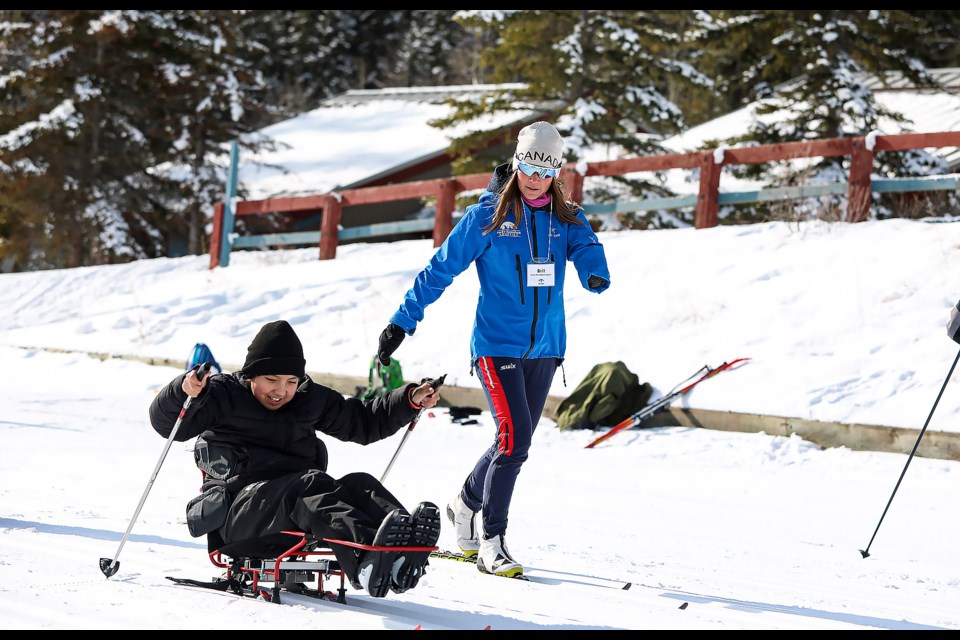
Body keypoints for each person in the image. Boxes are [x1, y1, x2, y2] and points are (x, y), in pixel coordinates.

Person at [375, 121, 611, 578]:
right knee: (515, 439)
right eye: (528, 168)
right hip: (495, 345)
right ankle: (492, 541)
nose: (535, 179)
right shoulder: (488, 216)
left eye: (545, 172)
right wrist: (401, 321)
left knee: (512, 440)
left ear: (556, 172)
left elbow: (586, 244)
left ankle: (463, 504)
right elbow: (440, 268)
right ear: (518, 163)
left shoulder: (567, 217)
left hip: (545, 348)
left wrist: (593, 268)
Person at [149, 319, 442, 599]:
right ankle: (364, 557)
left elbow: (363, 422)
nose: (281, 391)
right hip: (238, 518)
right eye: (271, 380)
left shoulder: (307, 399)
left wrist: (409, 400)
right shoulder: (225, 395)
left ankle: (402, 553)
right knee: (308, 484)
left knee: (359, 483)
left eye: (291, 381)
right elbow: (168, 423)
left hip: (295, 514)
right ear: (251, 373)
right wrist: (183, 391)